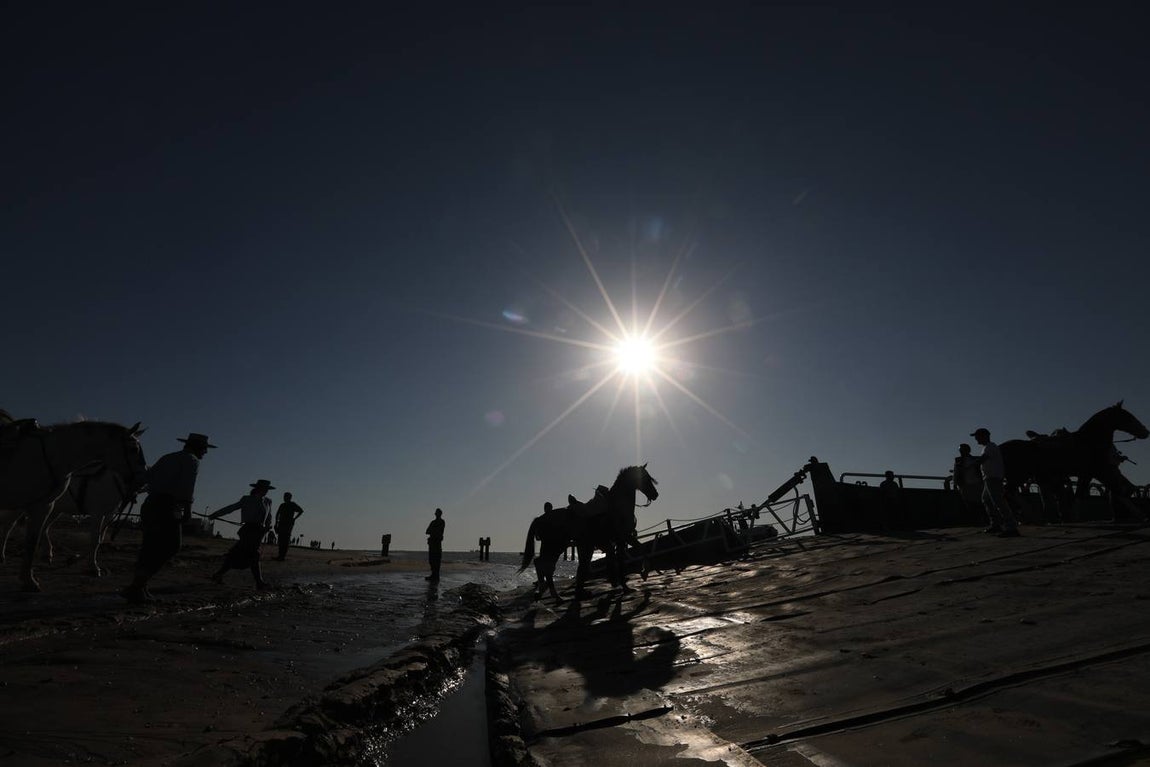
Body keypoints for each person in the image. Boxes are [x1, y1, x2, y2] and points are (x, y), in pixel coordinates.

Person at [122, 432, 215, 603]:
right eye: (204, 449)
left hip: (151, 504)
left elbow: (146, 477)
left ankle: (139, 587)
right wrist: (188, 509)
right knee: (172, 546)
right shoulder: (192, 461)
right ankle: (137, 585)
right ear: (197, 448)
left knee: (149, 546)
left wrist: (132, 491)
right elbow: (187, 487)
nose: (205, 452)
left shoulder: (168, 457)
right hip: (167, 506)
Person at [209, 479, 274, 588]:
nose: (266, 491)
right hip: (248, 530)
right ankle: (259, 582)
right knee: (253, 555)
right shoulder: (247, 499)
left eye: (267, 489)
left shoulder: (268, 501)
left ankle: (218, 574)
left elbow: (269, 517)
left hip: (259, 532)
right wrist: (216, 514)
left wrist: (267, 527)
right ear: (258, 488)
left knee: (239, 554)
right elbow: (231, 508)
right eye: (264, 489)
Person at [971, 428, 1019, 537]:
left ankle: (1011, 527)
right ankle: (996, 524)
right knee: (987, 500)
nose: (976, 439)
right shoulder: (986, 448)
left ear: (984, 436)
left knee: (998, 502)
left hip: (993, 478)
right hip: (989, 478)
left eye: (977, 436)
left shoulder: (990, 447)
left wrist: (970, 464)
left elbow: (982, 459)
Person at [273, 492, 304, 561]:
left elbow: (301, 511)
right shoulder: (282, 505)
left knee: (285, 539)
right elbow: (277, 514)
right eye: (284, 496)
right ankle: (280, 555)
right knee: (280, 539)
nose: (284, 498)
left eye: (286, 497)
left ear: (289, 498)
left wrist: (294, 518)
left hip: (288, 524)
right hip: (281, 523)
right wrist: (276, 523)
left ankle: (282, 556)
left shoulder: (292, 504)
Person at [952, 443, 983, 512]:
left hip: (976, 484)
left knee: (978, 502)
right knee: (968, 503)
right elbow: (956, 472)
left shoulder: (976, 459)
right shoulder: (958, 460)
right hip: (964, 484)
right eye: (960, 450)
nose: (961, 452)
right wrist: (955, 484)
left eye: (962, 450)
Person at [425, 507, 445, 581]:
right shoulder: (433, 522)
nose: (437, 514)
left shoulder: (442, 522)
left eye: (438, 513)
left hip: (437, 543)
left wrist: (433, 530)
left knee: (437, 560)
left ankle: (436, 576)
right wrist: (434, 531)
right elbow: (427, 531)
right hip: (432, 543)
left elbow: (439, 531)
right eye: (436, 513)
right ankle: (433, 575)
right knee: (431, 560)